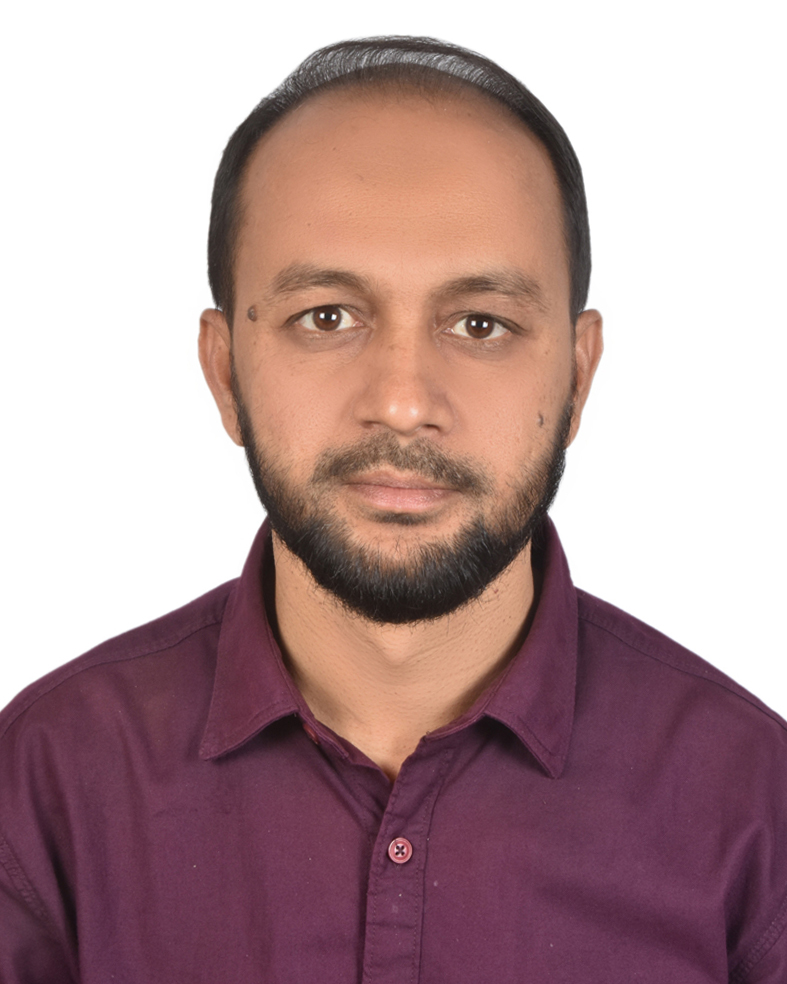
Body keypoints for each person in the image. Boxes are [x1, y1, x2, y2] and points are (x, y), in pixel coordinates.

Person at [1, 36, 784, 983]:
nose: (404, 403)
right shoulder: (44, 784)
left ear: (577, 377)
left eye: (480, 324)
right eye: (326, 317)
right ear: (224, 371)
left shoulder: (754, 803)